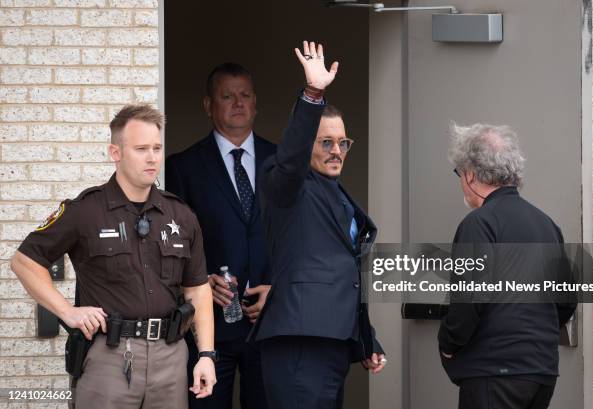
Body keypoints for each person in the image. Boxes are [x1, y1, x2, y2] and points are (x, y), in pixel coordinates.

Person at [10, 104, 216, 409]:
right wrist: (67, 311)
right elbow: (24, 261)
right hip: (110, 357)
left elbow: (197, 289)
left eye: (157, 148)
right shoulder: (85, 211)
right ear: (115, 152)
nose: (152, 157)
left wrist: (206, 355)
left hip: (171, 357)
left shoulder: (181, 215)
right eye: (141, 148)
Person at [249, 41, 386, 409]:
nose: (336, 150)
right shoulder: (286, 184)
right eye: (326, 142)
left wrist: (368, 339)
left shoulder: (337, 193)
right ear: (304, 142)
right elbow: (290, 160)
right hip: (300, 338)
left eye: (343, 142)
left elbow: (345, 271)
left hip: (332, 340)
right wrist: (313, 95)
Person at [438, 123, 576, 409]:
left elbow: (469, 298)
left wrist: (449, 344)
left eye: (459, 174)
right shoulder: (546, 224)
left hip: (493, 372)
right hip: (541, 372)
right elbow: (567, 299)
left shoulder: (479, 223)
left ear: (471, 174)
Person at [165, 62, 275, 409]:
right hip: (209, 324)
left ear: (256, 103)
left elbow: (297, 238)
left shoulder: (283, 162)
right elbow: (173, 244)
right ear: (208, 105)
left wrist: (279, 287)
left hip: (270, 322)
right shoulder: (182, 166)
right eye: (227, 96)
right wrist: (198, 282)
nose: (238, 103)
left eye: (245, 95)